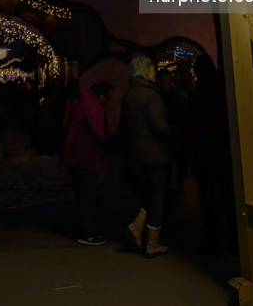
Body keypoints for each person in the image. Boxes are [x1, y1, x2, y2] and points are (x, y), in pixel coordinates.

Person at [183, 54, 237, 254]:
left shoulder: (196, 95)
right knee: (229, 198)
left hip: (205, 152)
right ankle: (234, 240)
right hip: (224, 150)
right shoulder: (224, 91)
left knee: (209, 200)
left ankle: (215, 242)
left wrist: (188, 157)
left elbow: (190, 129)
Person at [121, 56, 173, 258]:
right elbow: (160, 127)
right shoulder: (151, 96)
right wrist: (174, 136)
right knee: (158, 196)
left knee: (148, 194)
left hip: (136, 154)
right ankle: (152, 243)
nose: (155, 73)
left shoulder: (129, 95)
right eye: (152, 69)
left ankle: (136, 227)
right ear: (145, 71)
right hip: (155, 155)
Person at [62, 81, 113, 245]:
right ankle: (87, 233)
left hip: (76, 156)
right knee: (87, 195)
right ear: (103, 95)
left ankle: (86, 230)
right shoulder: (93, 106)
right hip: (84, 157)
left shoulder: (84, 103)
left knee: (83, 195)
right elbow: (100, 132)